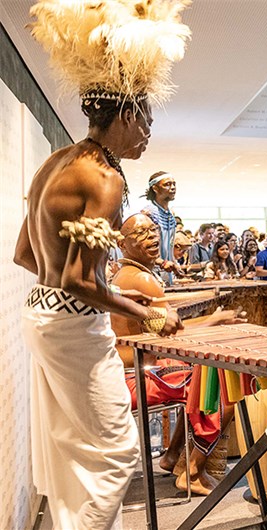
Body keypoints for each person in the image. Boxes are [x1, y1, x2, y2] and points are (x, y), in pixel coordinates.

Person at [17, 3, 189, 526]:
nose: (149, 134)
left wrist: (118, 296)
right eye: (148, 121)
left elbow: (26, 254)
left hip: (43, 318)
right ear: (128, 114)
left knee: (74, 453)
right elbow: (76, 279)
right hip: (72, 327)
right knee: (116, 455)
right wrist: (146, 312)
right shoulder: (106, 179)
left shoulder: (59, 161)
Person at [111, 214, 242, 495]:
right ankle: (193, 471)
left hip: (130, 370)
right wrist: (214, 320)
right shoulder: (142, 278)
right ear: (123, 245)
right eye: (142, 234)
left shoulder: (127, 274)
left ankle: (172, 456)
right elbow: (173, 331)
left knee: (198, 370)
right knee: (218, 388)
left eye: (153, 230)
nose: (153, 237)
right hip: (134, 378)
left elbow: (161, 327)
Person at [139, 171, 181, 285]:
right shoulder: (148, 214)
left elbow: (169, 246)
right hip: (152, 273)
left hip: (167, 273)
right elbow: (141, 248)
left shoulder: (171, 215)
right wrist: (161, 263)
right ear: (155, 189)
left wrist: (173, 264)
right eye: (167, 184)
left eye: (174, 184)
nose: (173, 188)